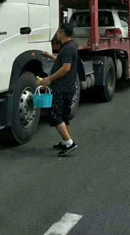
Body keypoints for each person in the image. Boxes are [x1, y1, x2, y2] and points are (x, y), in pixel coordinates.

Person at [40, 22, 78, 157]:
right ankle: (64, 141)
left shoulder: (67, 48)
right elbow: (64, 62)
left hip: (61, 88)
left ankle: (69, 143)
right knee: (64, 115)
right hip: (68, 87)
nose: (57, 34)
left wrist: (50, 79)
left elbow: (66, 68)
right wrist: (51, 57)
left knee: (56, 116)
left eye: (58, 32)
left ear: (63, 33)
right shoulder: (70, 46)